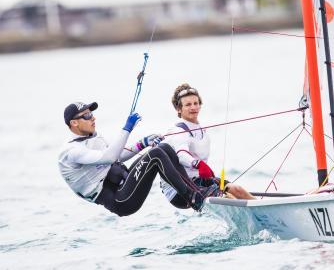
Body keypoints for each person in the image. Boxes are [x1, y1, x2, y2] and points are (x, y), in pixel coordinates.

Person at [58, 101, 216, 216]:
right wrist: (127, 128)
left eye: (91, 113)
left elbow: (118, 156)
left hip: (123, 183)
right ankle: (193, 198)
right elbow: (110, 157)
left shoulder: (94, 137)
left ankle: (195, 191)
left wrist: (143, 143)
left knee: (163, 148)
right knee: (156, 155)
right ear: (74, 123)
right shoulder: (71, 151)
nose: (92, 118)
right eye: (86, 115)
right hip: (120, 200)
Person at [161, 84, 256, 209]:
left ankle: (263, 210)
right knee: (225, 197)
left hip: (198, 181)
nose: (193, 107)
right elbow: (182, 155)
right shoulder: (178, 131)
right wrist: (198, 164)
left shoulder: (201, 130)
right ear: (179, 109)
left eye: (196, 103)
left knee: (236, 189)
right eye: (188, 105)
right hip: (178, 190)